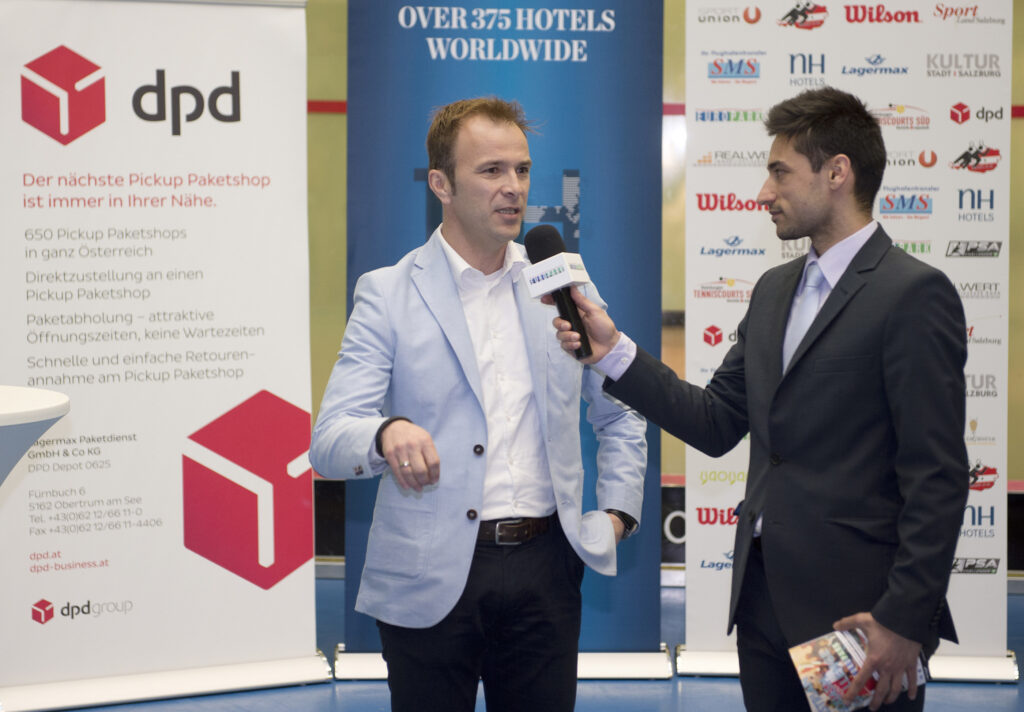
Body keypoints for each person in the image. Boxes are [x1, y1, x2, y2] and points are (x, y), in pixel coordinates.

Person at [550, 86, 968, 712]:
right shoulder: (774, 289)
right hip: (762, 608)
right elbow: (716, 421)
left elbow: (937, 476)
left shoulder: (913, 294)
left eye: (780, 172)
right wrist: (613, 352)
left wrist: (903, 620)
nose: (763, 192)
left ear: (837, 173)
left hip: (859, 620)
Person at [309, 96, 647, 712]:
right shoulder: (388, 293)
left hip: (547, 567)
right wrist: (385, 433)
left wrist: (619, 511)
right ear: (441, 184)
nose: (513, 187)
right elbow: (330, 438)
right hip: (428, 574)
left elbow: (621, 407)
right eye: (491, 170)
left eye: (522, 169)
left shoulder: (562, 282)